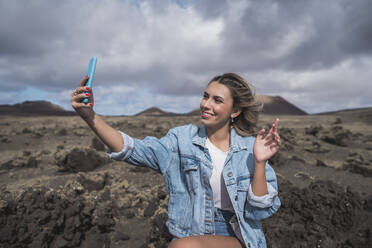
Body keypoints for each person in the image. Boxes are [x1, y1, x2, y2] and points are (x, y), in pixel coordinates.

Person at [71, 72, 281, 248]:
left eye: (217, 100)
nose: (206, 104)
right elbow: (133, 149)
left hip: (239, 236)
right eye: (205, 96)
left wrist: (260, 162)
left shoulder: (248, 149)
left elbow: (260, 210)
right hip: (193, 230)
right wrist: (89, 116)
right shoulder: (181, 140)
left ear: (235, 111)